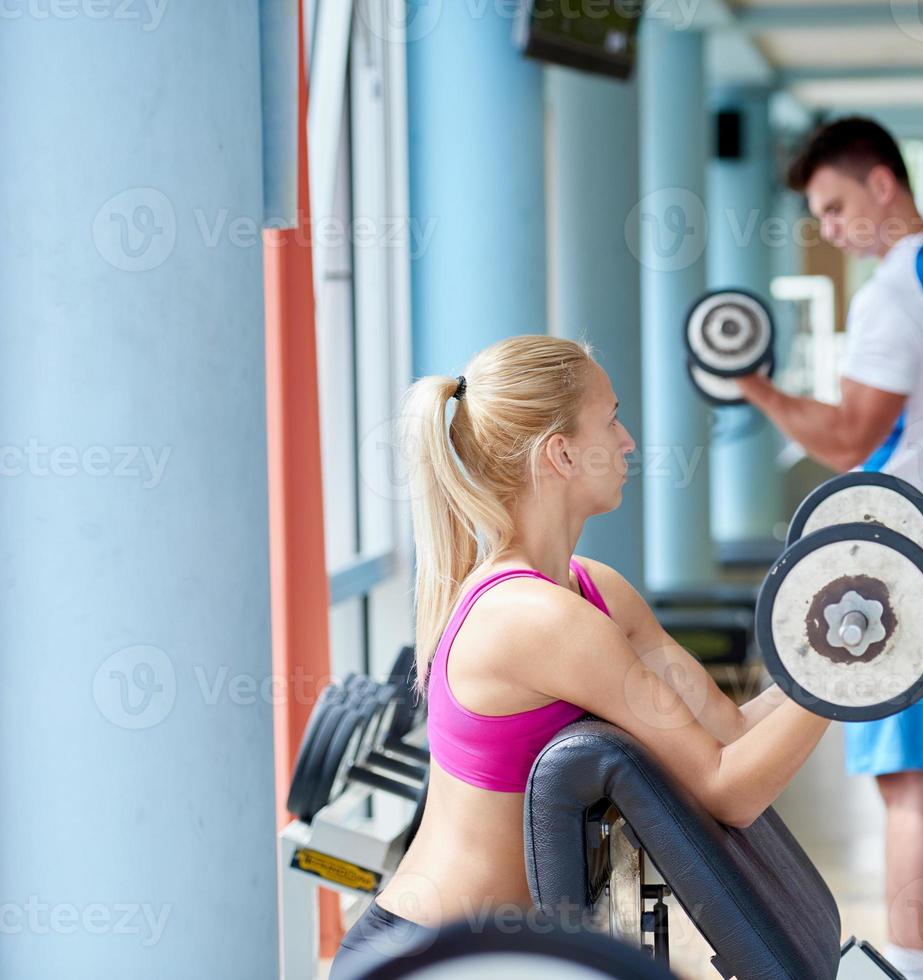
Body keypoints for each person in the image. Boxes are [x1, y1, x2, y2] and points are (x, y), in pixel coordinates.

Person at [329, 336, 831, 978]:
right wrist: (848, 677)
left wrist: (824, 657)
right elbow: (727, 792)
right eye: (612, 419)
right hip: (432, 960)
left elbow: (728, 734)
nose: (628, 441)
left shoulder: (592, 589)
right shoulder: (535, 619)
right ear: (560, 453)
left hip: (502, 954)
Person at [735, 117, 923, 980]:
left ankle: (914, 970)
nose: (830, 227)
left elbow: (851, 437)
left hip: (897, 565)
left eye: (834, 205)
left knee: (908, 785)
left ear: (882, 184)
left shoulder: (895, 292)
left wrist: (756, 390)